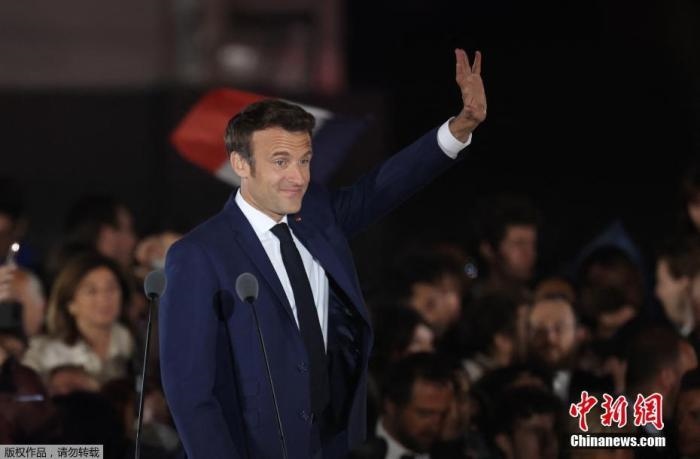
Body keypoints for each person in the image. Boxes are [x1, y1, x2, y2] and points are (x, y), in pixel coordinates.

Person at [159, 48, 487, 459]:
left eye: (305, 160)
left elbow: (383, 187)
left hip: (334, 443)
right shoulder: (199, 255)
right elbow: (189, 391)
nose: (298, 177)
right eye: (281, 161)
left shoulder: (317, 214)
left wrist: (459, 128)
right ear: (240, 164)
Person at [23, 253, 134, 384]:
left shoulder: (134, 342)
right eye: (91, 291)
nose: (104, 299)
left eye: (111, 289)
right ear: (70, 304)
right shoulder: (44, 352)